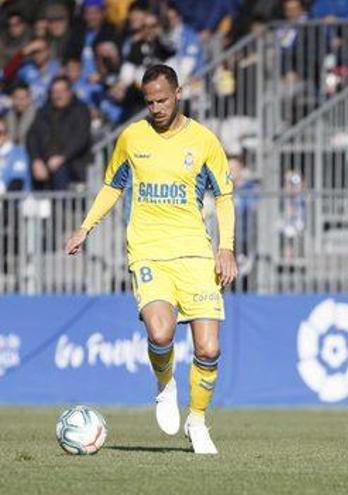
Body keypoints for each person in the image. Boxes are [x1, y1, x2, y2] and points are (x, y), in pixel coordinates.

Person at [64, 65, 238, 455]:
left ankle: (197, 421)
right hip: (148, 250)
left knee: (208, 349)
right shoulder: (132, 137)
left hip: (194, 252)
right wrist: (85, 228)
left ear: (178, 94)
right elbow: (112, 186)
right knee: (160, 334)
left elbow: (224, 195)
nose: (156, 108)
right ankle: (165, 385)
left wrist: (225, 247)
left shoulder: (205, 141)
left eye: (162, 99)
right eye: (149, 102)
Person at [26, 76, 92, 190]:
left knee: (59, 171)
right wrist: (36, 160)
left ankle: (61, 208)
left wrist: (62, 157)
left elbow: (81, 138)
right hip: (44, 162)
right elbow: (32, 136)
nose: (58, 95)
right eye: (54, 92)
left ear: (70, 92)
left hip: (72, 163)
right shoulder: (43, 112)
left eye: (62, 91)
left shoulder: (81, 110)